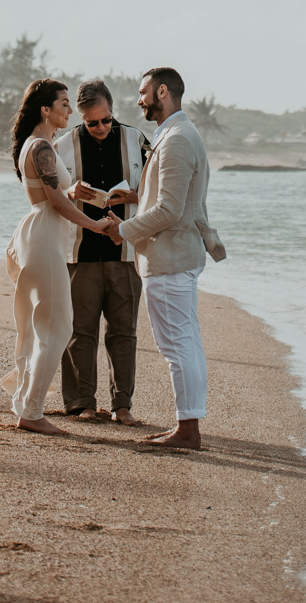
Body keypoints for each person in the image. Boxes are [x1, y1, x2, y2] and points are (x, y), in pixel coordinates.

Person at [104, 66, 226, 451]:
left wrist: (121, 231)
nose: (138, 100)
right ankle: (188, 425)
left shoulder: (175, 139)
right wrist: (135, 197)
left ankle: (187, 430)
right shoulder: (178, 134)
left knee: (177, 347)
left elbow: (171, 211)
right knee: (186, 343)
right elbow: (175, 199)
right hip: (177, 255)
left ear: (161, 92)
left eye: (142, 93)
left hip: (170, 257)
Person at [6, 79, 116, 436]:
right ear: (46, 110)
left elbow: (55, 193)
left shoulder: (39, 145)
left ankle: (27, 404)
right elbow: (55, 202)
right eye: (65, 103)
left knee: (46, 326)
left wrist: (73, 192)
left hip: (44, 235)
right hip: (43, 237)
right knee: (58, 328)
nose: (71, 110)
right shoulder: (41, 147)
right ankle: (32, 411)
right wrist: (97, 226)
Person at [54, 79, 151, 425]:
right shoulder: (62, 145)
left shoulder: (137, 140)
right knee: (80, 331)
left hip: (125, 252)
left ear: (113, 112)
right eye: (91, 122)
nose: (100, 128)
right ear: (80, 117)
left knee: (123, 332)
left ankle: (122, 405)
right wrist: (70, 193)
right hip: (78, 253)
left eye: (106, 120)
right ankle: (82, 403)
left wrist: (134, 197)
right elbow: (47, 197)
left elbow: (159, 191)